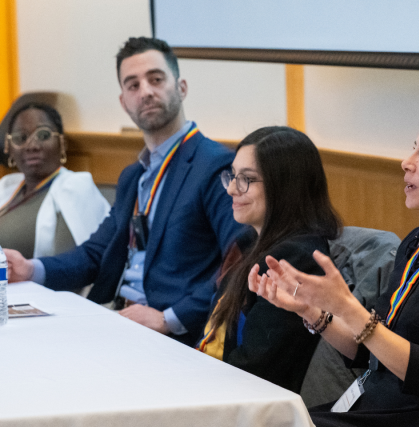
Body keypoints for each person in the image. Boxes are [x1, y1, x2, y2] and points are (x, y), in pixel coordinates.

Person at [249, 107, 419, 427]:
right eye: (413, 150)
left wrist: (350, 309)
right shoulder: (416, 243)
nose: (407, 163)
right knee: (267, 424)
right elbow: (367, 351)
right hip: (371, 405)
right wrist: (313, 311)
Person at [6, 37, 242, 346]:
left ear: (181, 87)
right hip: (115, 319)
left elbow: (240, 261)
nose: (145, 91)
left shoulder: (215, 165)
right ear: (123, 102)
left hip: (174, 336)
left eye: (156, 79)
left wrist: (169, 318)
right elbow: (95, 254)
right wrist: (30, 268)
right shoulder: (134, 176)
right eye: (132, 85)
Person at [197, 126, 342, 393]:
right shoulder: (250, 243)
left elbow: (254, 368)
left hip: (244, 405)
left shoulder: (294, 261)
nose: (231, 189)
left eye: (247, 179)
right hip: (215, 381)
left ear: (285, 186)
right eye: (232, 176)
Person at [0, 102, 110, 258]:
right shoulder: (6, 187)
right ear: (8, 148)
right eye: (21, 138)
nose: (32, 146)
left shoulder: (75, 188)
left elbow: (71, 270)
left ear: (62, 143)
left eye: (43, 135)